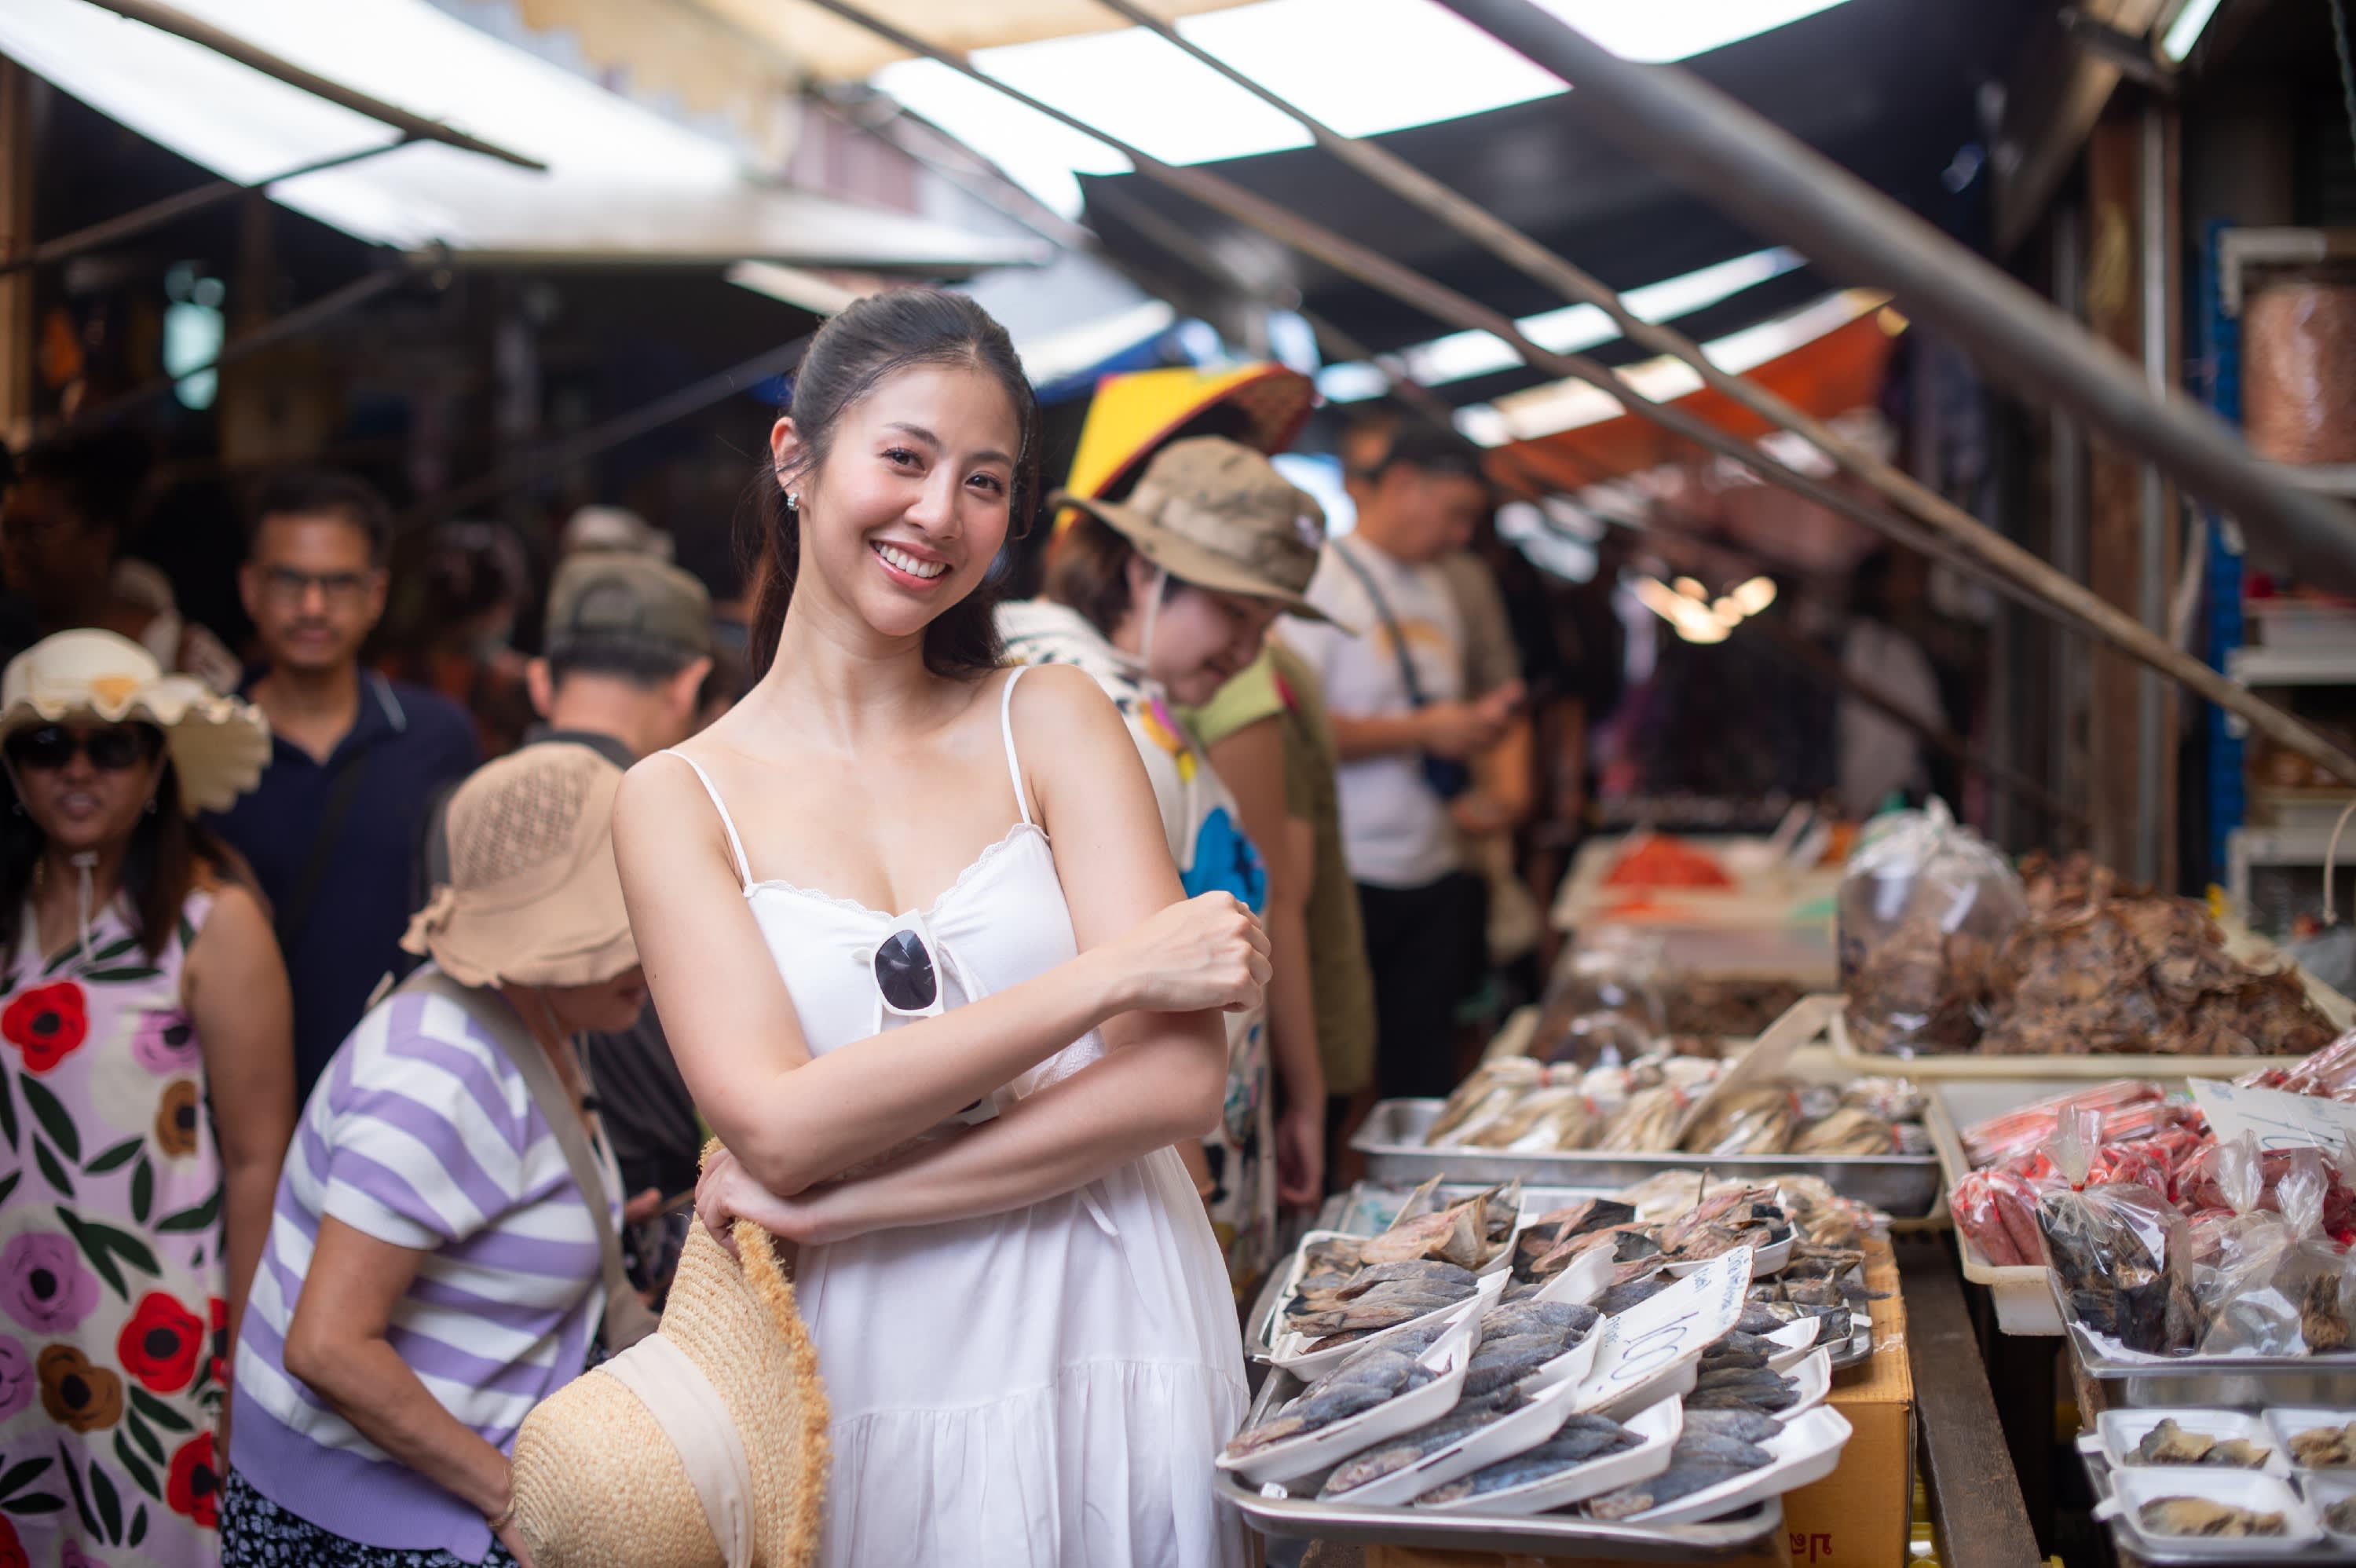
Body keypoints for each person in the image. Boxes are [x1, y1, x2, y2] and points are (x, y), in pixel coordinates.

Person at [613, 290, 1267, 1567]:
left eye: (984, 482)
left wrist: (854, 1204)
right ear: (796, 457)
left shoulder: (1055, 717)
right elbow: (778, 1126)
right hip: (865, 1362)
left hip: (1113, 1314)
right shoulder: (677, 798)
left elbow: (1176, 1083)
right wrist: (1110, 976)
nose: (938, 514)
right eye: (904, 458)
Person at [224, 743, 654, 1568]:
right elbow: (326, 1347)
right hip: (382, 1527)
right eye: (614, 929)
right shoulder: (437, 1071)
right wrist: (507, 1495)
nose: (649, 946)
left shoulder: (541, 1016)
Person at [1001, 436, 1331, 1287]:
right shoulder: (1105, 722)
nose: (1248, 651)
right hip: (1159, 1182)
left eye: (1266, 625)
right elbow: (1121, 1006)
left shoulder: (1061, 668)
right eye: (1235, 612)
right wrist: (1194, 1201)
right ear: (1143, 570)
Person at [0, 630, 294, 1566]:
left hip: (156, 1333)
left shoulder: (213, 921)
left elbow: (258, 1161)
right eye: (46, 745)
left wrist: (248, 1365)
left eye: (113, 744)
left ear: (158, 762)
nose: (78, 769)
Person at [422, 550, 715, 1204]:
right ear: (688, 685)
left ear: (540, 683)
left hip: (480, 1174)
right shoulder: (683, 820)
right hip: (650, 1185)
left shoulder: (459, 811)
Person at [207, 470, 478, 1102]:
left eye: (338, 584)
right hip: (229, 1098)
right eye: (289, 581)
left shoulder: (437, 736)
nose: (312, 607)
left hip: (405, 1093)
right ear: (250, 588)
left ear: (376, 593)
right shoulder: (202, 745)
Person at [1282, 429, 1519, 1102]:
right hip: (1352, 872)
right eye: (1454, 514)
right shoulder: (1322, 580)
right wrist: (1423, 731)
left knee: (1425, 1062)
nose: (1461, 535)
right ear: (1403, 484)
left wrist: (1471, 732)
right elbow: (1296, 732)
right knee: (1344, 1072)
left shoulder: (1441, 584)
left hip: (1437, 862)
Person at [1190, 639, 1376, 1194]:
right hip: (1219, 1051)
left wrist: (1306, 1094)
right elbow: (1284, 889)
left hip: (1248, 1036)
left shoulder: (1240, 674)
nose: (1244, 640)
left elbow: (1279, 891)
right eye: (1239, 615)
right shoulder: (1233, 669)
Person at [1, 434, 239, 686]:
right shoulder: (11, 635)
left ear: (100, 537)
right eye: (9, 531)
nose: (15, 549)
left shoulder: (179, 649)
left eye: (37, 532)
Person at [1838, 551, 1941, 817]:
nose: (1913, 589)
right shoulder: (1852, 644)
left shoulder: (1901, 650)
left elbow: (1931, 724)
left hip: (1895, 789)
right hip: (1858, 785)